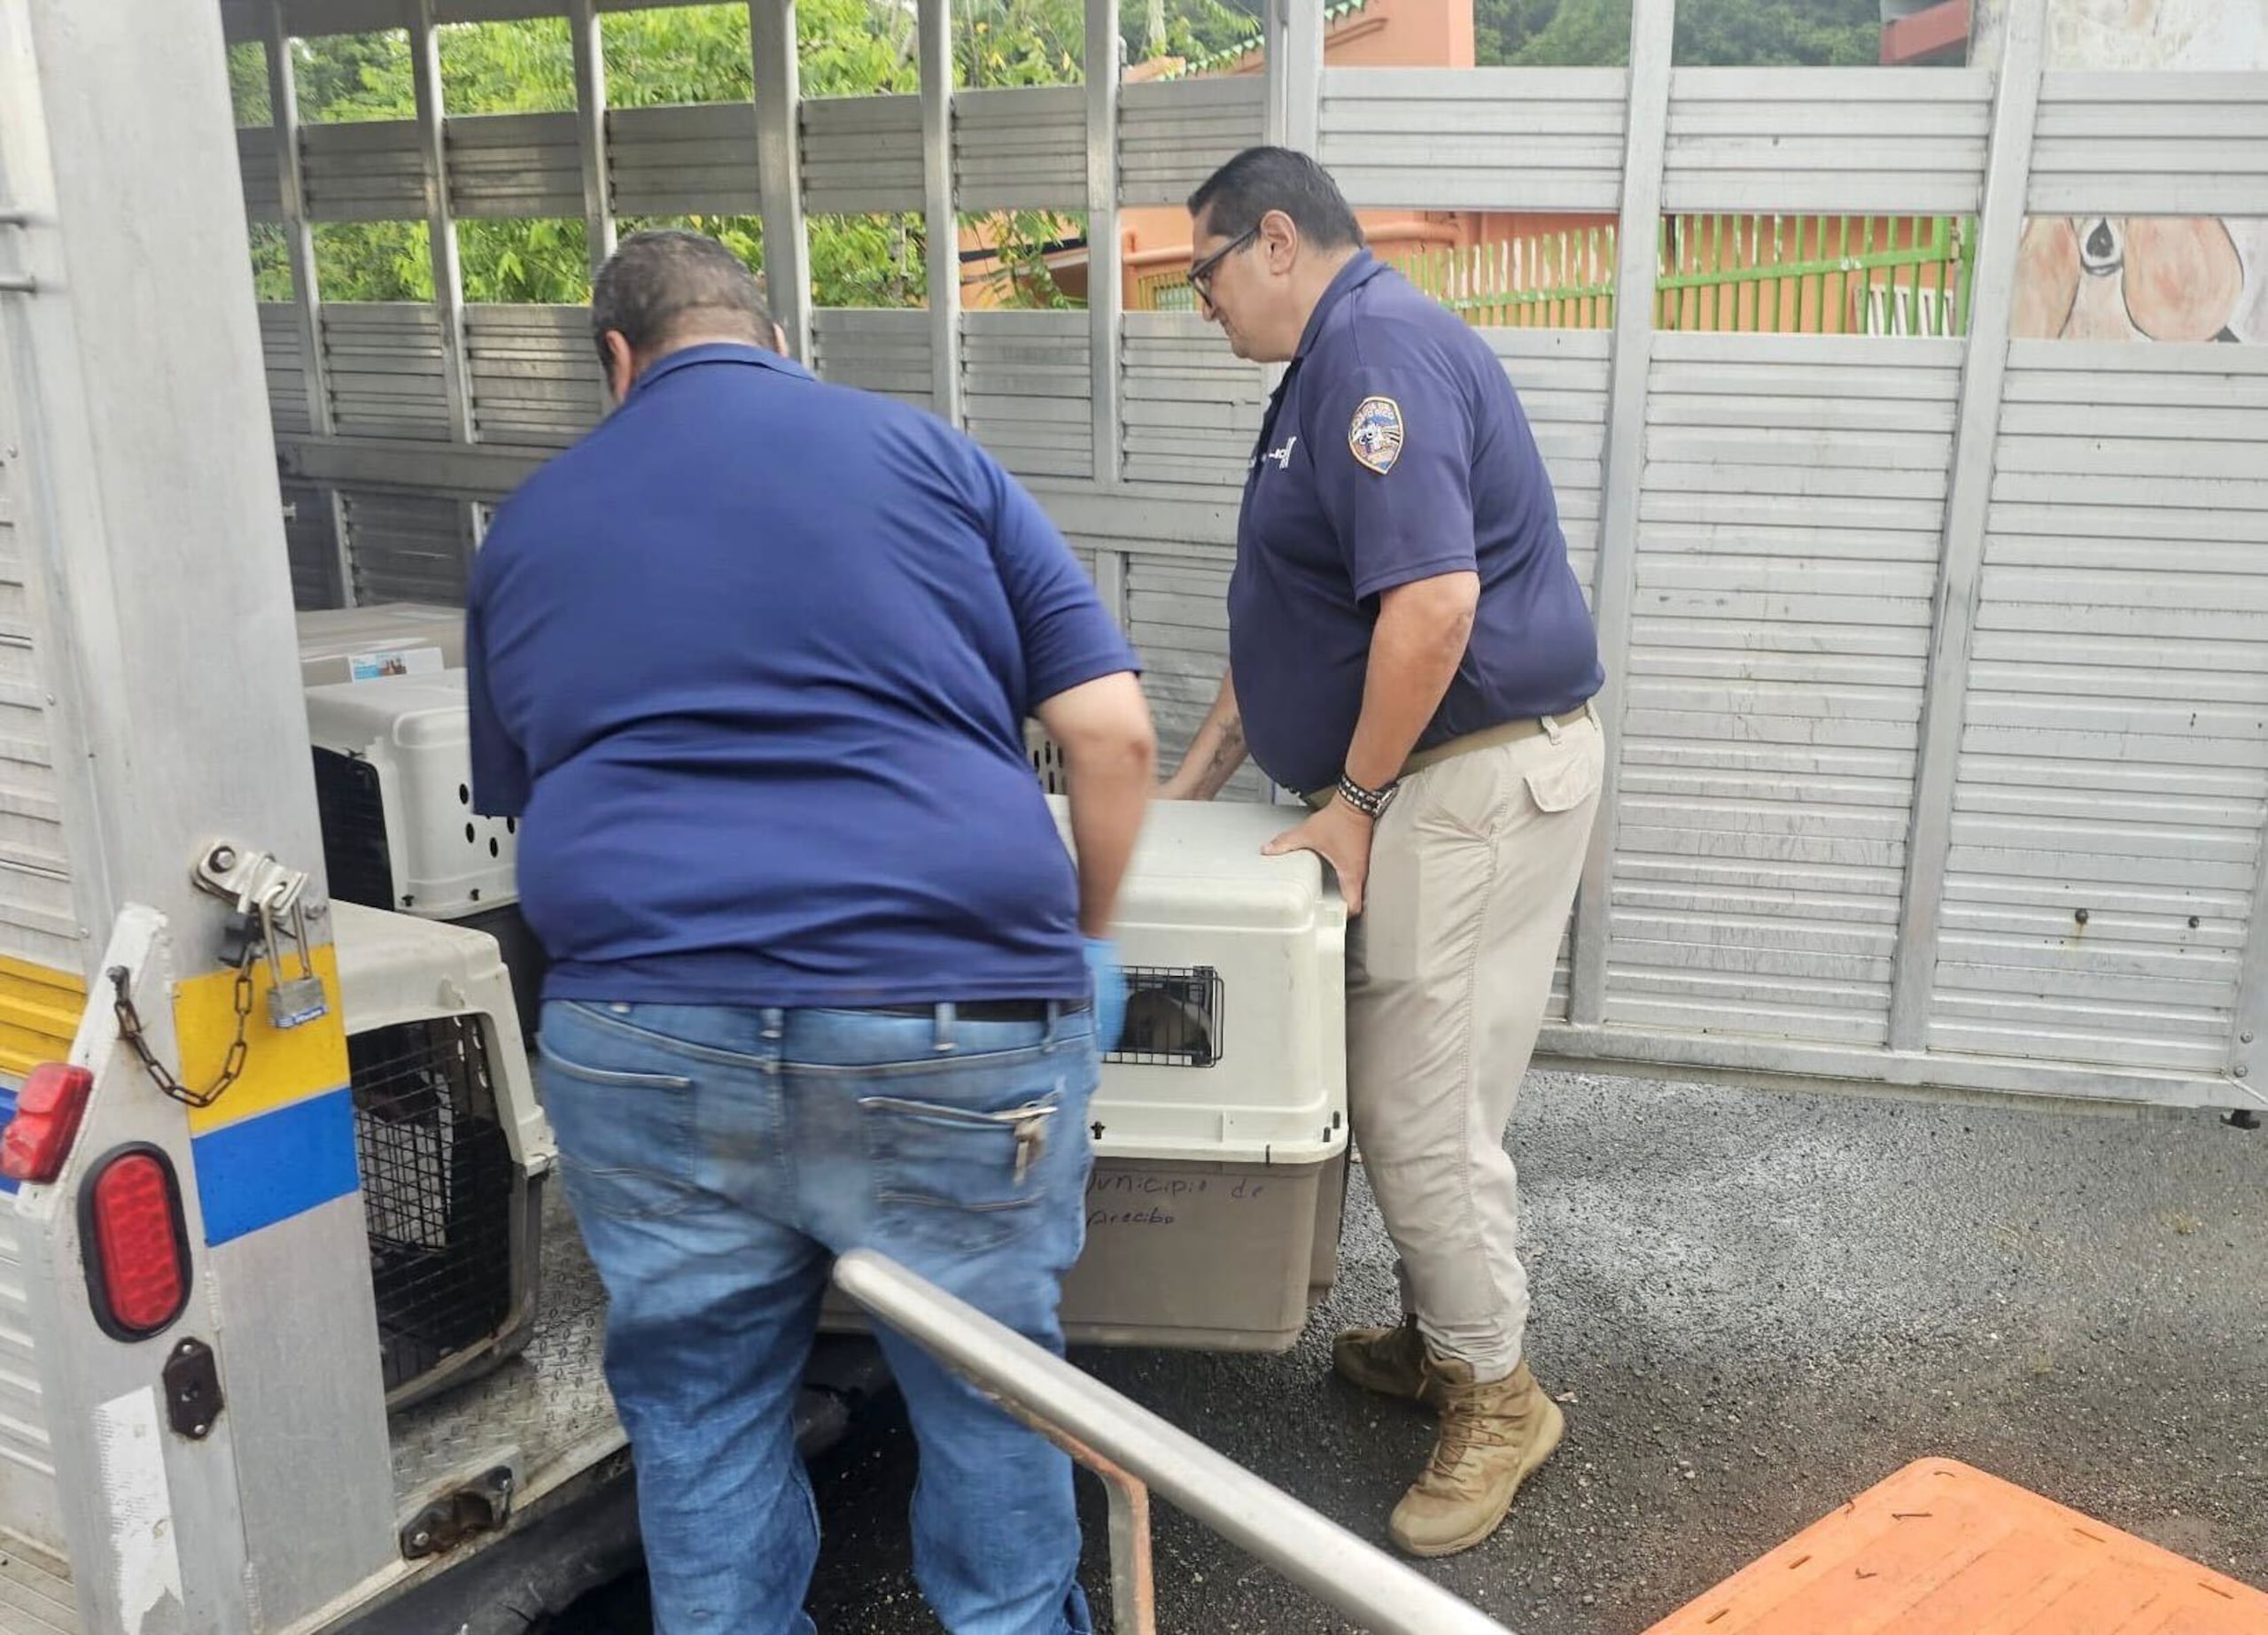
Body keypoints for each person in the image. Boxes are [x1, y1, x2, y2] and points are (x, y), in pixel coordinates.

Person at [465, 229, 1155, 1635]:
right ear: (777, 337)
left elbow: (524, 801)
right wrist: (1078, 946)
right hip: (951, 1018)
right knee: (991, 1391)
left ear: (619, 360)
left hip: (646, 1036)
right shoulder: (930, 459)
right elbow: (1111, 735)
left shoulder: (529, 527)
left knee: (704, 1412)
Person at [1156, 150, 1605, 1558]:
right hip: (1427, 780)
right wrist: (1187, 795)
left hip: (1458, 780)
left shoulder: (1377, 351)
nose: (1202, 304)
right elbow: (1294, 627)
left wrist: (1349, 795)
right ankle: (1438, 1332)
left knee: (1420, 1111)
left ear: (1274, 240)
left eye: (1204, 273)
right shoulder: (1327, 370)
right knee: (1407, 1083)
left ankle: (1497, 1391)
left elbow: (1430, 606)